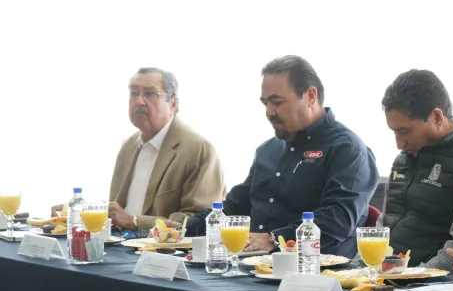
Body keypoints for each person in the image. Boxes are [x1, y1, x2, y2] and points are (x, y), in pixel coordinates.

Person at [187, 55, 378, 257]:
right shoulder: (267, 150)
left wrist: (273, 239)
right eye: (265, 103)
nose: (268, 112)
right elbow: (237, 206)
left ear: (310, 96)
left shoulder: (348, 149)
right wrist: (185, 227)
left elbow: (338, 220)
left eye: (277, 102)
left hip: (314, 268)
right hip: (252, 263)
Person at [53, 67, 225, 233]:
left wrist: (135, 221)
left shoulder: (199, 149)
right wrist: (79, 214)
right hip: (121, 244)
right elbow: (117, 212)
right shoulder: (128, 146)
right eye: (134, 93)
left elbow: (201, 221)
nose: (139, 101)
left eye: (150, 94)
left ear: (173, 104)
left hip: (166, 250)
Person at [378, 69, 453, 270]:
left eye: (404, 131)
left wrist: (414, 276)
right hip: (387, 276)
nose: (399, 143)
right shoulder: (404, 159)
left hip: (433, 281)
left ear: (436, 116)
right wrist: (361, 269)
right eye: (394, 132)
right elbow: (383, 227)